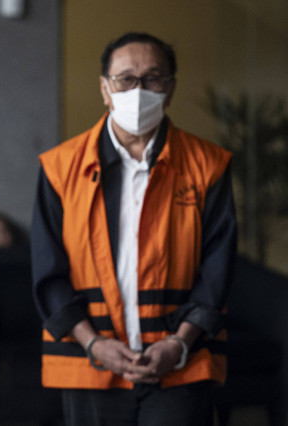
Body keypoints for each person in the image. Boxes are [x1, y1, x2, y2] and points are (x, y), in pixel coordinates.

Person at [30, 32, 236, 426]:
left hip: (181, 361)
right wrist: (94, 343)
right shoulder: (59, 169)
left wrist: (179, 344)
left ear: (170, 88)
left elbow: (218, 268)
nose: (138, 90)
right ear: (105, 89)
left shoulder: (208, 166)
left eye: (153, 78)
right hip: (90, 363)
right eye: (126, 79)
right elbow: (47, 270)